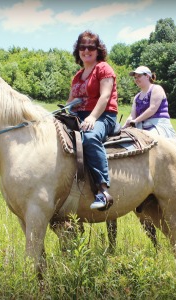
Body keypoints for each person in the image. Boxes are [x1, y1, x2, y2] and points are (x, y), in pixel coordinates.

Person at [67, 30, 118, 210]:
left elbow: (104, 97)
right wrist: (63, 112)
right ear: (78, 50)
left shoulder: (104, 68)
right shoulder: (77, 76)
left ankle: (102, 191)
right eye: (82, 47)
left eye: (91, 47)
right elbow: (71, 101)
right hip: (80, 116)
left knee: (89, 138)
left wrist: (92, 117)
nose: (86, 50)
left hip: (104, 116)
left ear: (98, 50)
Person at [123, 66, 176, 138]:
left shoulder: (156, 88)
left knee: (149, 139)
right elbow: (132, 116)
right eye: (135, 77)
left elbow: (152, 109)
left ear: (147, 76)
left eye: (139, 76)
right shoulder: (137, 97)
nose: (136, 79)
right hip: (142, 127)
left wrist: (136, 121)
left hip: (159, 126)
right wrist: (125, 125)